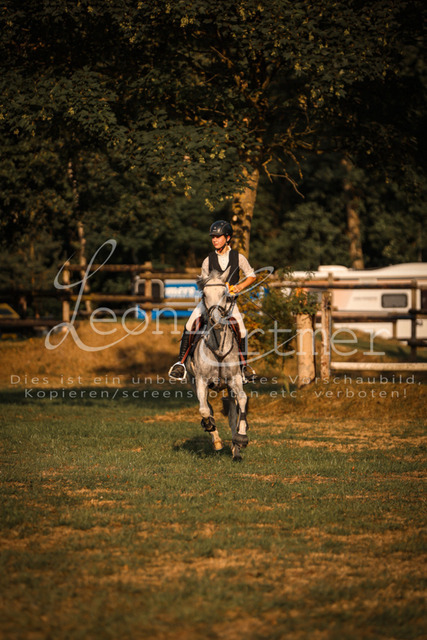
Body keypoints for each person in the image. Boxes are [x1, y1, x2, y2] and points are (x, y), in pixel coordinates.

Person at [168, 220, 257, 383]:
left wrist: (239, 287)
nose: (214, 240)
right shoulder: (208, 260)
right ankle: (180, 364)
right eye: (213, 237)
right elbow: (203, 284)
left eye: (218, 236)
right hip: (209, 303)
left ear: (227, 238)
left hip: (229, 304)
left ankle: (244, 367)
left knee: (242, 330)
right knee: (189, 324)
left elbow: (252, 276)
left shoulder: (239, 258)